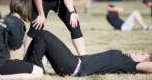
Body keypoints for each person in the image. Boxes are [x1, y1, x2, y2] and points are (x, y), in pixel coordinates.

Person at [24, 30, 152, 77]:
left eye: (142, 55)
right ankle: (27, 67)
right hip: (74, 61)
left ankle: (33, 69)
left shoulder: (129, 65)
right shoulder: (123, 56)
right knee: (39, 34)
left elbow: (149, 67)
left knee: (44, 35)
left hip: (76, 67)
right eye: (141, 51)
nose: (139, 52)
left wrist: (145, 63)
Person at [0, 0, 43, 80]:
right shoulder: (18, 23)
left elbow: (10, 51)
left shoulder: (4, 19)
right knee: (38, 72)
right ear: (25, 8)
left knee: (20, 64)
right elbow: (16, 46)